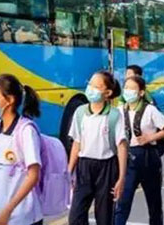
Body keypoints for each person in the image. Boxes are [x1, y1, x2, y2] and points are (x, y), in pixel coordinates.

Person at [68, 71, 128, 225]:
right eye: (90, 84)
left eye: (96, 86)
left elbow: (121, 147)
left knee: (104, 217)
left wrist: (121, 178)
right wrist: (69, 171)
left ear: (107, 93)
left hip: (107, 168)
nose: (91, 89)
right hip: (84, 167)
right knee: (75, 217)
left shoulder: (114, 116)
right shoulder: (80, 112)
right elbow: (77, 143)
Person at [0, 74, 43, 225]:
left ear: (10, 100)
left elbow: (33, 176)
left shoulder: (26, 131)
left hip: (21, 217)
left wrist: (8, 210)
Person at [114, 76, 164, 225]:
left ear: (141, 92)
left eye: (132, 89)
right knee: (122, 202)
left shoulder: (150, 110)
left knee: (154, 203)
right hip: (128, 159)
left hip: (148, 158)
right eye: (126, 88)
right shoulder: (119, 111)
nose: (128, 91)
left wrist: (150, 137)